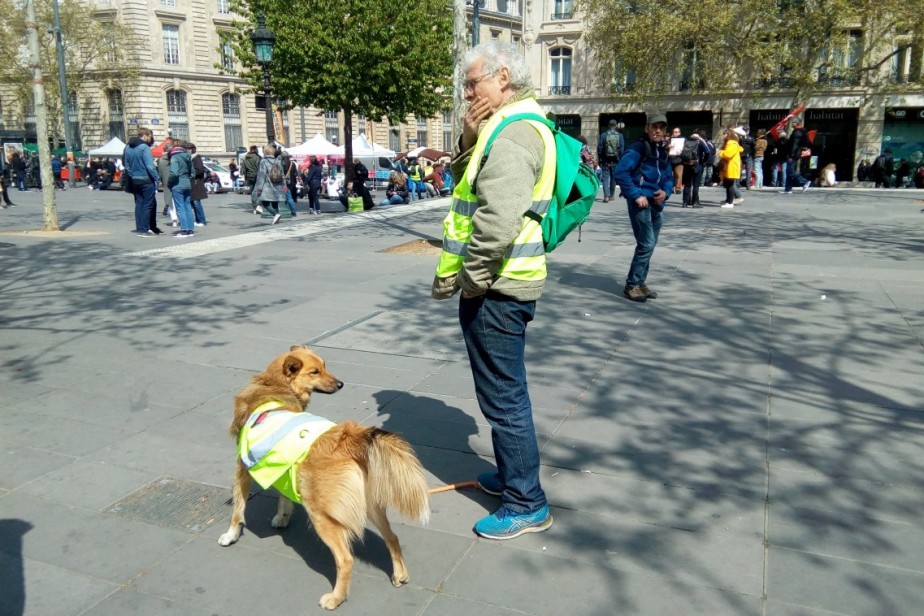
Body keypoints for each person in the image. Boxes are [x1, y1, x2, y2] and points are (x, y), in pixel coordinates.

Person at [432, 41, 554, 540]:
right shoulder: (506, 124)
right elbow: (470, 182)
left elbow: (497, 220)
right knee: (502, 394)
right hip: (502, 283)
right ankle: (511, 477)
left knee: (505, 399)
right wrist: (468, 134)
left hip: (497, 287)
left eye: (472, 82)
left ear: (503, 77)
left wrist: (472, 281)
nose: (467, 92)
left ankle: (526, 502)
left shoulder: (516, 131)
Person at [614, 112, 672, 302]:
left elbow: (668, 176)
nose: (658, 131)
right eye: (654, 127)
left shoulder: (661, 150)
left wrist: (666, 192)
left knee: (649, 245)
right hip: (641, 204)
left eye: (661, 128)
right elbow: (621, 172)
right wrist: (636, 195)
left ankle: (640, 283)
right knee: (646, 243)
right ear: (647, 128)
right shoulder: (638, 148)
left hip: (657, 203)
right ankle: (632, 284)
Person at [123, 127, 163, 237]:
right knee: (148, 204)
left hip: (135, 179)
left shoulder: (128, 147)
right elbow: (150, 166)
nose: (150, 139)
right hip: (146, 179)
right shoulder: (144, 147)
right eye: (150, 136)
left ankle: (140, 228)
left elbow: (126, 165)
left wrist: (132, 176)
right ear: (145, 136)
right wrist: (157, 178)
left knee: (139, 204)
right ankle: (145, 229)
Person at [167, 140, 196, 237]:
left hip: (177, 184)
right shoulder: (188, 156)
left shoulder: (174, 157)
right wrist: (187, 179)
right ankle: (190, 229)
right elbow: (193, 173)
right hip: (187, 183)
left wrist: (169, 183)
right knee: (187, 206)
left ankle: (184, 230)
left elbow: (174, 173)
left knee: (180, 207)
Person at [254, 144, 285, 224]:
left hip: (267, 185)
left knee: (265, 203)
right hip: (277, 185)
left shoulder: (263, 161)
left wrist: (259, 188)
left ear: (265, 152)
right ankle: (277, 218)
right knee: (275, 202)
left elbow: (262, 175)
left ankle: (275, 214)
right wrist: (284, 184)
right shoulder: (278, 161)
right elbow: (282, 174)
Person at [780, 116, 812, 194]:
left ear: (796, 123)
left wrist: (791, 155)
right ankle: (788, 189)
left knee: (790, 171)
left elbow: (794, 145)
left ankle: (804, 182)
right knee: (788, 171)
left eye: (793, 122)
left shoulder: (797, 132)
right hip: (796, 153)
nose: (791, 123)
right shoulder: (800, 131)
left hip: (793, 154)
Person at [596, 119, 624, 202]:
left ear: (608, 126)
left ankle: (606, 196)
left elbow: (599, 148)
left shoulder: (604, 135)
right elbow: (622, 149)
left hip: (605, 159)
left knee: (605, 177)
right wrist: (620, 158)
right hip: (616, 159)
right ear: (616, 126)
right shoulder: (620, 135)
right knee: (613, 177)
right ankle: (611, 195)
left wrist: (600, 158)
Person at [680, 129, 708, 208]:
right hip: (697, 165)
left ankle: (685, 202)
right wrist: (703, 161)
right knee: (696, 185)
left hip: (687, 165)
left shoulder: (686, 142)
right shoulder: (700, 142)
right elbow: (707, 152)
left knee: (687, 185)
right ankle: (695, 202)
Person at [718, 129, 743, 208]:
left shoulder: (731, 143)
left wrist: (720, 152)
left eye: (724, 134)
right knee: (728, 184)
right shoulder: (733, 143)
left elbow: (728, 155)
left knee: (730, 185)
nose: (722, 136)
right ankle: (728, 200)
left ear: (727, 135)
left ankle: (730, 202)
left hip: (731, 166)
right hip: (731, 166)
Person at [189, 144, 209, 227]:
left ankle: (202, 220)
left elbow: (200, 170)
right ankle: (197, 220)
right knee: (193, 202)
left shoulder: (196, 158)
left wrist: (191, 173)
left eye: (188, 149)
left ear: (193, 149)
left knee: (196, 202)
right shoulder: (191, 158)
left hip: (197, 183)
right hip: (193, 183)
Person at [243, 145, 262, 214]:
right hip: (257, 176)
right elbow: (260, 168)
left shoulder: (245, 158)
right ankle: (258, 206)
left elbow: (244, 170)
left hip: (249, 177)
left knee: (252, 192)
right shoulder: (257, 158)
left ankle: (254, 208)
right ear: (255, 150)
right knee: (258, 191)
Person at [667, 126, 685, 193]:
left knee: (679, 174)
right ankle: (670, 187)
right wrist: (668, 146)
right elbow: (664, 147)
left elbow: (686, 148)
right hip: (670, 158)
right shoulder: (670, 139)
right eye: (675, 132)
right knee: (669, 174)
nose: (676, 133)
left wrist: (683, 149)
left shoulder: (683, 140)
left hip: (679, 159)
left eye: (677, 132)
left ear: (680, 133)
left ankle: (678, 188)